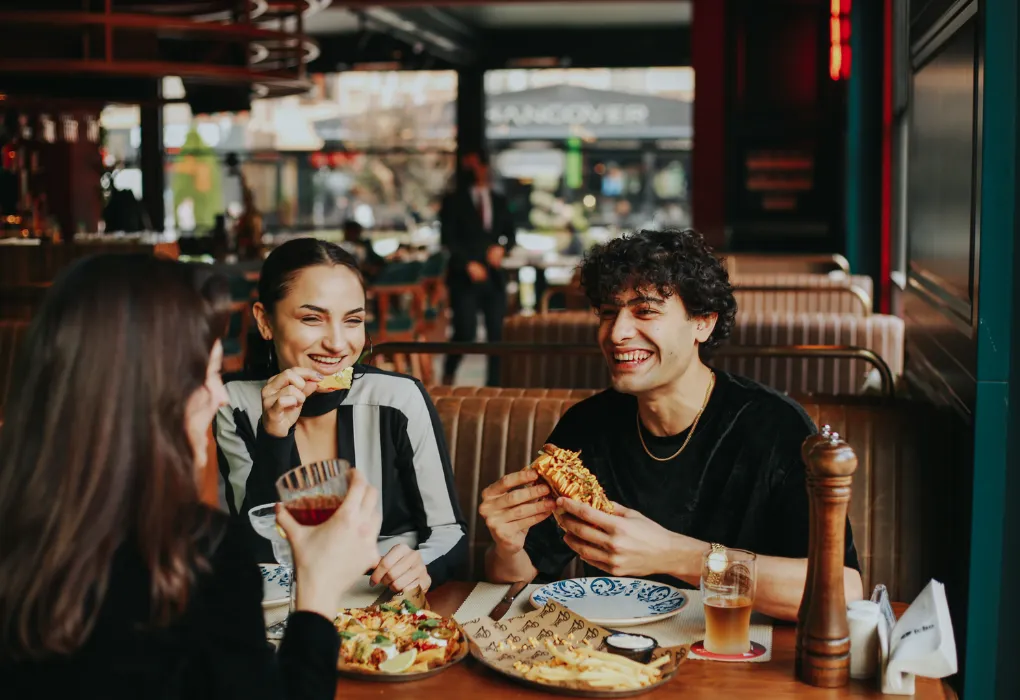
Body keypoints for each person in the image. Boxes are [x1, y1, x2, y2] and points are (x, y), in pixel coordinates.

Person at [0, 254, 382, 699]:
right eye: (206, 373)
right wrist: (317, 587)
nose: (218, 396)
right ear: (147, 389)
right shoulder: (199, 558)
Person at [478, 229, 863, 621]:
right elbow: (521, 577)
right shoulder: (587, 427)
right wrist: (507, 547)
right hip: (612, 661)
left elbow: (843, 589)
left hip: (740, 653)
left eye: (645, 311)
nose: (616, 332)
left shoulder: (774, 427)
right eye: (609, 313)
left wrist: (676, 555)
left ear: (703, 323)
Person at [215, 238, 466, 593]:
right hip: (290, 608)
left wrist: (419, 567)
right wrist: (274, 435)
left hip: (389, 607)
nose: (337, 343)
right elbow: (259, 552)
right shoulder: (236, 405)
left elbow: (449, 533)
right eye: (312, 318)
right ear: (265, 321)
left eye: (353, 320)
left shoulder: (398, 399)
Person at [440, 150, 516, 386]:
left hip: (493, 277)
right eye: (469, 167)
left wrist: (502, 248)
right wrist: (467, 264)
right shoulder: (453, 201)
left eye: (478, 165)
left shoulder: (499, 200)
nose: (475, 171)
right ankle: (448, 375)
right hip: (464, 277)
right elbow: (448, 239)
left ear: (485, 167)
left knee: (497, 334)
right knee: (465, 332)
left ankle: (495, 386)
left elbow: (510, 235)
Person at [341, 218, 385, 283]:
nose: (353, 234)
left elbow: (379, 261)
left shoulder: (364, 245)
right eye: (351, 231)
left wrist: (372, 268)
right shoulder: (341, 247)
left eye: (355, 231)